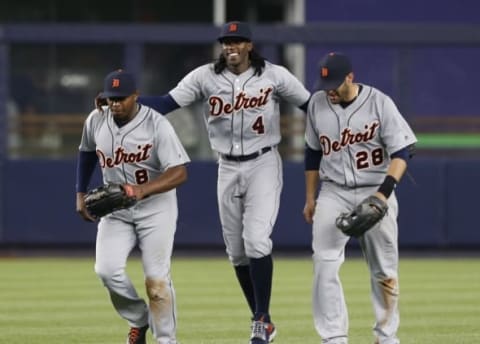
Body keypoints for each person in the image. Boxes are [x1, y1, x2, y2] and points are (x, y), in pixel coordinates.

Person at [133, 21, 311, 344]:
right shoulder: (205, 77)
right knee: (237, 253)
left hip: (263, 161)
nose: (231, 47)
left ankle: (261, 318)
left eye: (237, 41)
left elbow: (311, 105)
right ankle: (262, 319)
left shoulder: (274, 75)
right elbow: (166, 103)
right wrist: (129, 100)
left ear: (249, 46)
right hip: (226, 166)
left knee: (257, 240)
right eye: (226, 42)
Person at [303, 52, 417, 344]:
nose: (330, 89)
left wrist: (383, 193)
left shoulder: (379, 102)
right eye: (326, 83)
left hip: (375, 187)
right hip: (334, 190)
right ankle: (333, 337)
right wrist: (310, 197)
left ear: (350, 78)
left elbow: (402, 153)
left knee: (384, 269)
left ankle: (386, 336)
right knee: (324, 262)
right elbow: (313, 152)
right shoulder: (317, 103)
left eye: (336, 83)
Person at [76, 70, 190, 344]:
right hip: (116, 209)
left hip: (156, 208)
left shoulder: (156, 124)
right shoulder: (96, 120)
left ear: (136, 96)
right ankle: (139, 318)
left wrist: (143, 190)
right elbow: (87, 151)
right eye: (110, 98)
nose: (115, 103)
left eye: (121, 98)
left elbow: (179, 173)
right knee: (106, 270)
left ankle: (166, 340)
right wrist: (80, 193)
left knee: (156, 280)